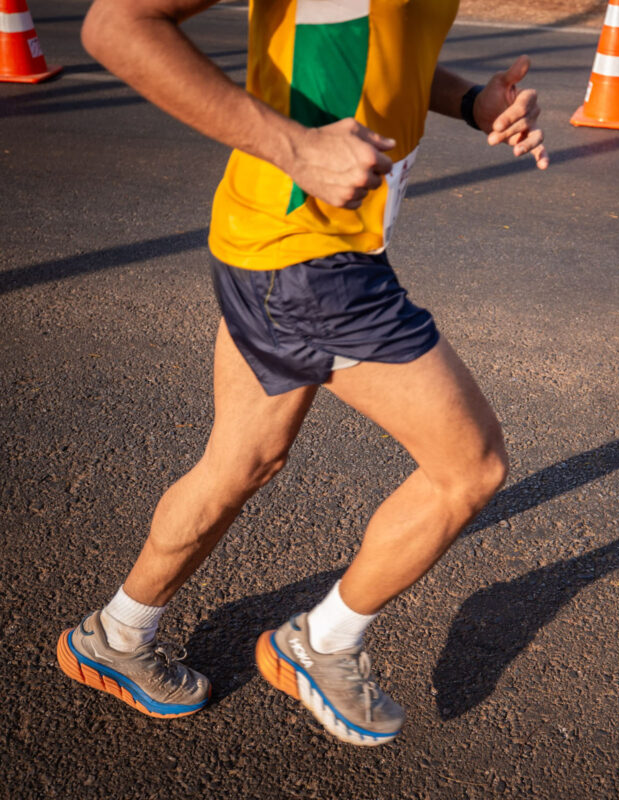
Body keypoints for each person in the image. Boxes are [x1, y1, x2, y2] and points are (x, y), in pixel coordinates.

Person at [54, 0, 548, 746]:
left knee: (241, 461)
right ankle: (320, 644)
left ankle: (117, 636)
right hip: (310, 262)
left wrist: (471, 102)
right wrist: (294, 147)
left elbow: (382, 45)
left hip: (277, 244)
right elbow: (117, 25)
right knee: (468, 469)